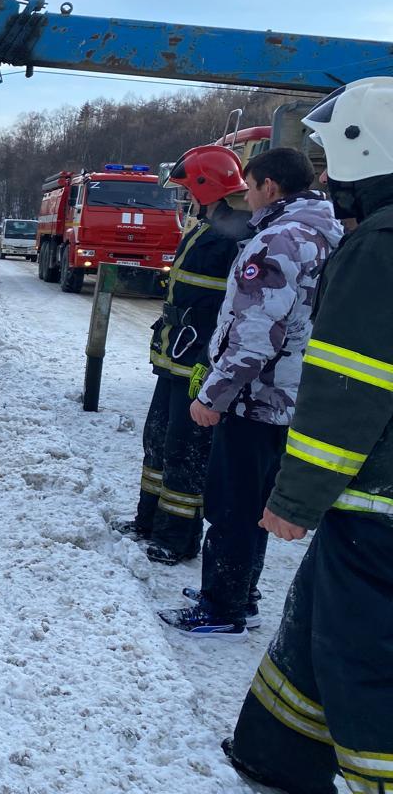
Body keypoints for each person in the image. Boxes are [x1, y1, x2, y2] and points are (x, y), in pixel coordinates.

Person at [221, 77, 393, 794]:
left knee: (362, 654)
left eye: (328, 158)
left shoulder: (380, 247)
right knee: (316, 620)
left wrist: (295, 498)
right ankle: (278, 754)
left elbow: (348, 387)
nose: (322, 176)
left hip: (378, 505)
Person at [157, 147, 341, 639]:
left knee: (232, 506)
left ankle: (223, 609)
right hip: (285, 396)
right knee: (252, 502)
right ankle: (239, 594)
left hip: (255, 398)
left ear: (271, 188)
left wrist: (213, 396)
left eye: (251, 186)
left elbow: (256, 334)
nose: (247, 196)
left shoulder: (277, 241)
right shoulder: (322, 232)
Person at [113, 145, 250, 564]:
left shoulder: (234, 236)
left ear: (207, 189)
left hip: (197, 363)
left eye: (188, 189)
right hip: (174, 357)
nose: (184, 197)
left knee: (185, 449)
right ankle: (148, 520)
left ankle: (177, 538)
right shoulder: (206, 228)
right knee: (156, 440)